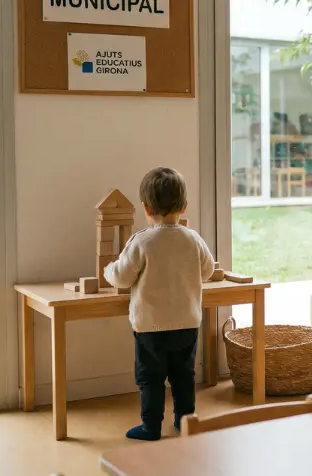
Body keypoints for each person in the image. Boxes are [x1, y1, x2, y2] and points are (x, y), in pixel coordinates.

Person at [104, 167, 215, 441]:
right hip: (187, 324)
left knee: (150, 379)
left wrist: (108, 269)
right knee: (184, 376)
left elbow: (121, 277)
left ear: (145, 208)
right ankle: (185, 421)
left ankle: (151, 426)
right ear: (184, 206)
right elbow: (208, 270)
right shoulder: (193, 239)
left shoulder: (142, 241)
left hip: (150, 327)